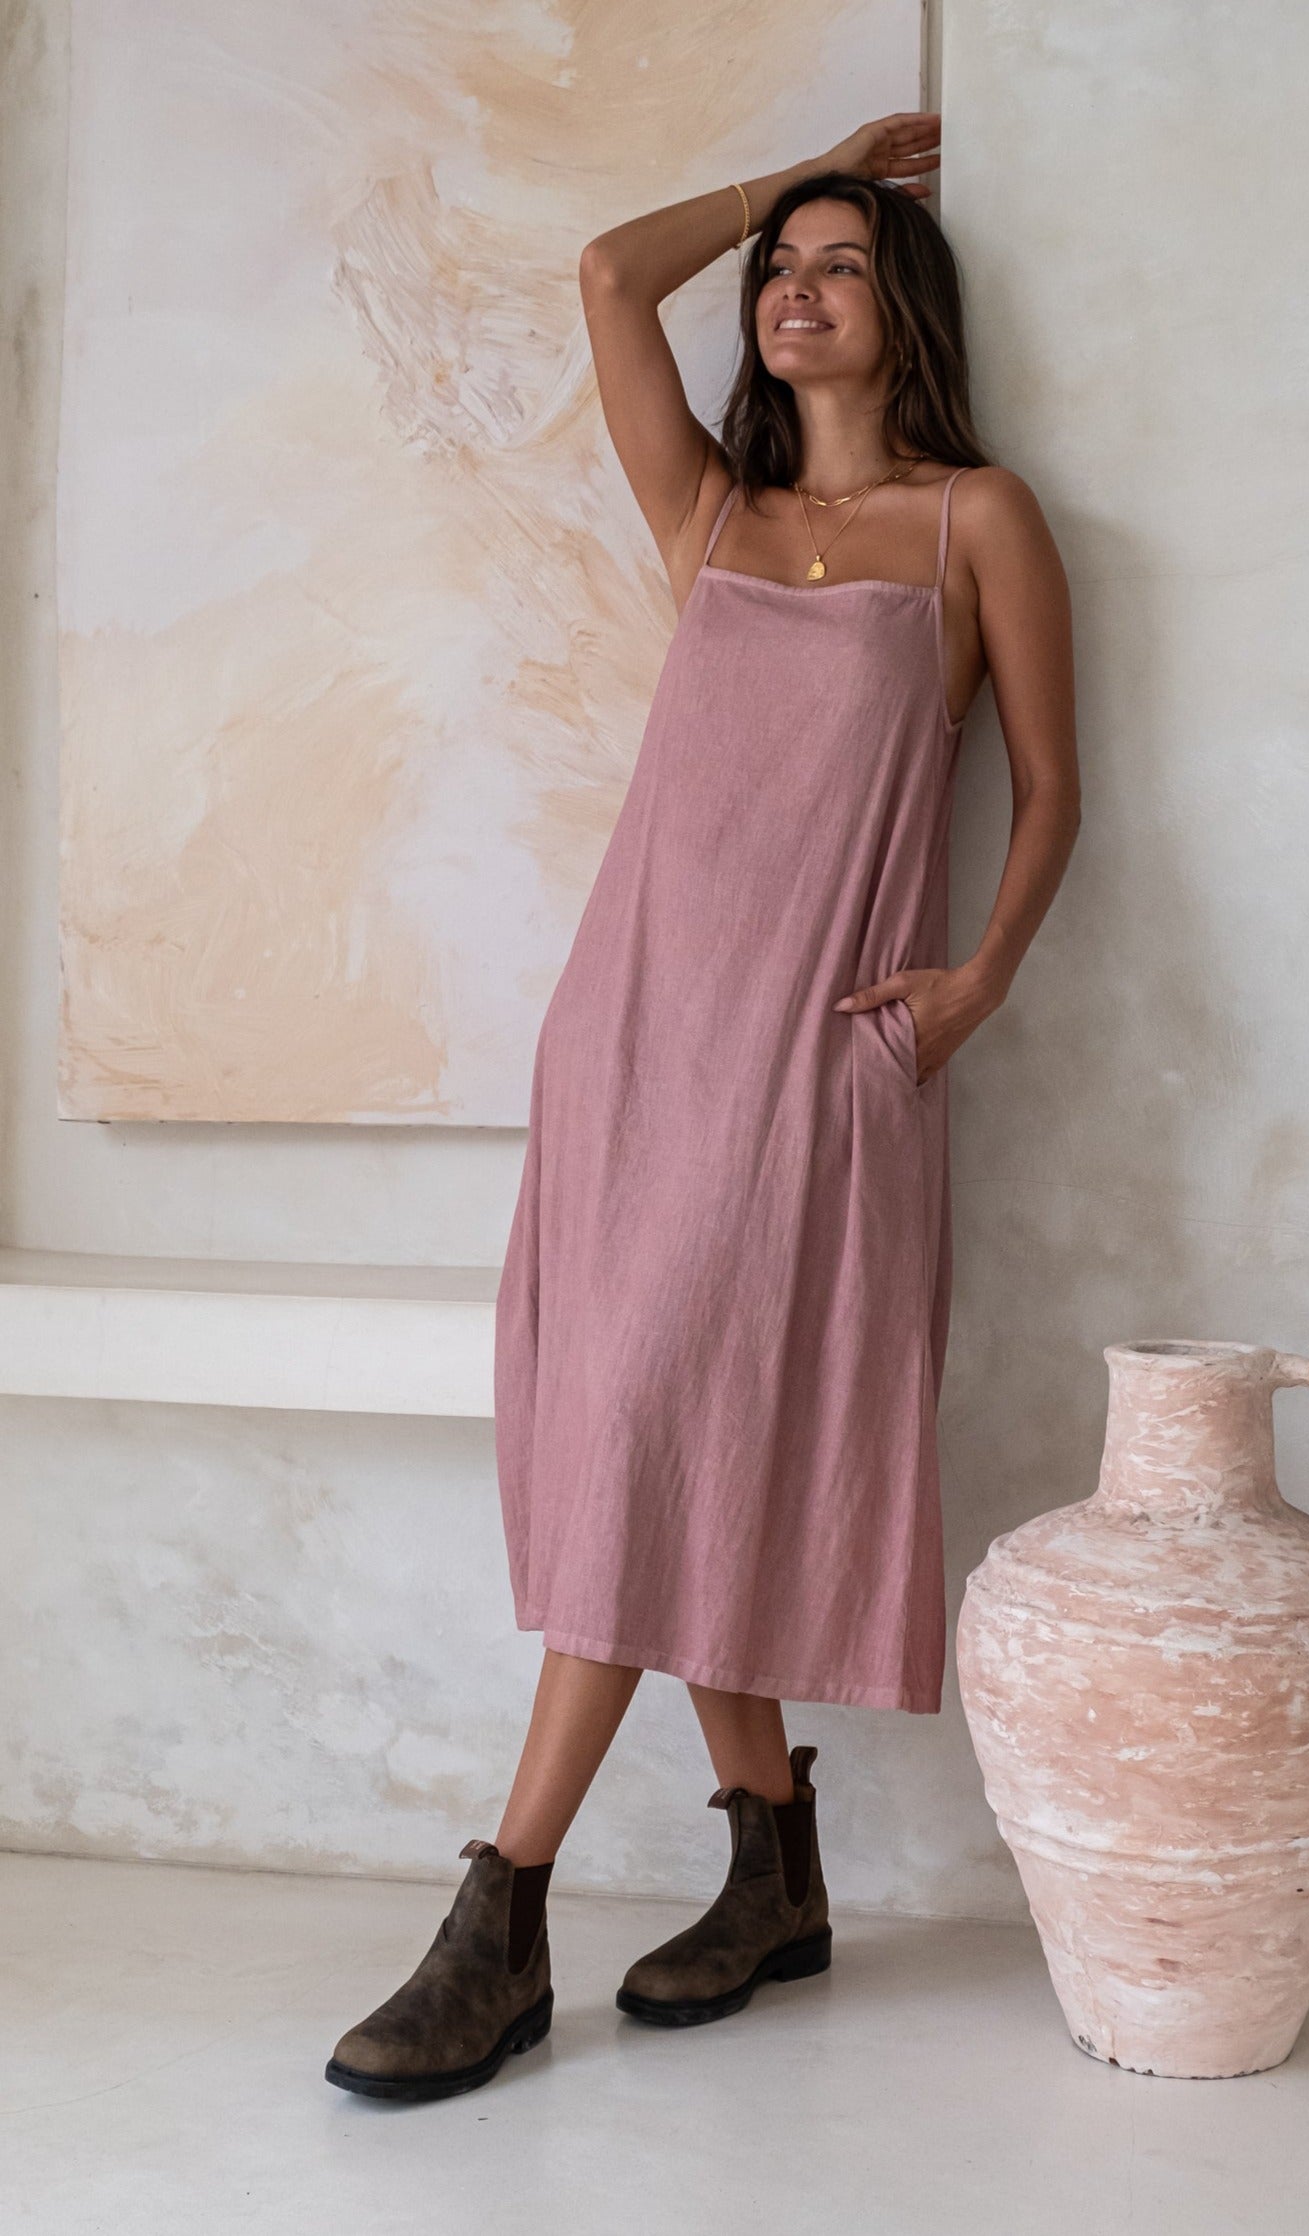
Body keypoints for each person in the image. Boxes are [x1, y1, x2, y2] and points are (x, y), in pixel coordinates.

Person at [326, 111, 1080, 2103]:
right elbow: (599, 275)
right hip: (635, 1037)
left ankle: (502, 1909)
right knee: (658, 1434)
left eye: (838, 263)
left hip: (814, 1054)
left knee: (655, 1422)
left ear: (901, 309)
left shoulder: (973, 521)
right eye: (781, 270)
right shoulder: (714, 523)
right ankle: (775, 1866)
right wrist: (793, 172)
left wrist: (974, 986)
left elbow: (1060, 794)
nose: (796, 292)